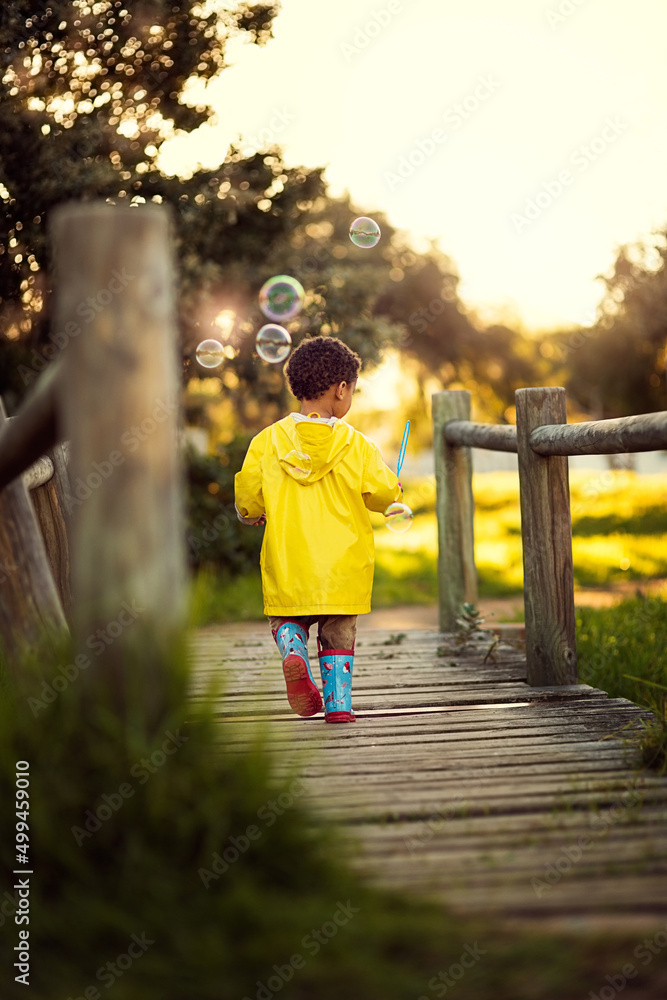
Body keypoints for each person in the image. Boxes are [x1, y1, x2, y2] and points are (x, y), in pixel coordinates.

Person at [234, 336, 402, 723]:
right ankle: (339, 706)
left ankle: (293, 651)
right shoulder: (358, 445)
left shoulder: (267, 441)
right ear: (342, 389)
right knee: (338, 634)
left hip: (289, 561)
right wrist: (396, 488)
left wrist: (251, 513)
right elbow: (382, 495)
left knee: (288, 618)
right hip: (343, 569)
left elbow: (247, 499)